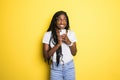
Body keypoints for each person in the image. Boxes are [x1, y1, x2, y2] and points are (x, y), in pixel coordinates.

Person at [42, 10, 77, 80]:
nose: (62, 22)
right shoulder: (48, 34)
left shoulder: (71, 33)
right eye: (59, 19)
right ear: (55, 21)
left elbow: (74, 53)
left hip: (69, 67)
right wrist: (58, 44)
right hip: (55, 68)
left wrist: (68, 41)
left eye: (64, 19)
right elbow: (46, 55)